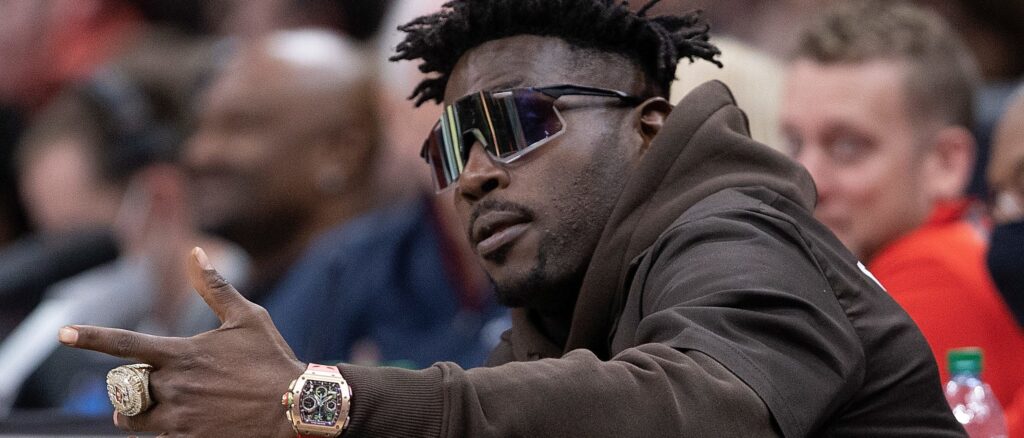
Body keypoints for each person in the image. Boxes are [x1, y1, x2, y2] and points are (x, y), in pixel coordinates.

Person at [60, 1, 964, 436]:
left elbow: (702, 409)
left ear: (647, 129)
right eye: (451, 150)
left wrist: (314, 398)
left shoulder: (734, 229)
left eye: (516, 125)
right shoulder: (561, 301)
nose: (477, 176)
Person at [183, 29, 503, 368]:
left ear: (342, 150)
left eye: (240, 127)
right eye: (199, 127)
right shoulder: (289, 282)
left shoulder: (359, 269)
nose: (198, 154)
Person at [780, 1, 1024, 416]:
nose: (807, 181)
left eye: (847, 146)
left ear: (945, 162)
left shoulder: (933, 275)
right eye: (794, 143)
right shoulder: (966, 247)